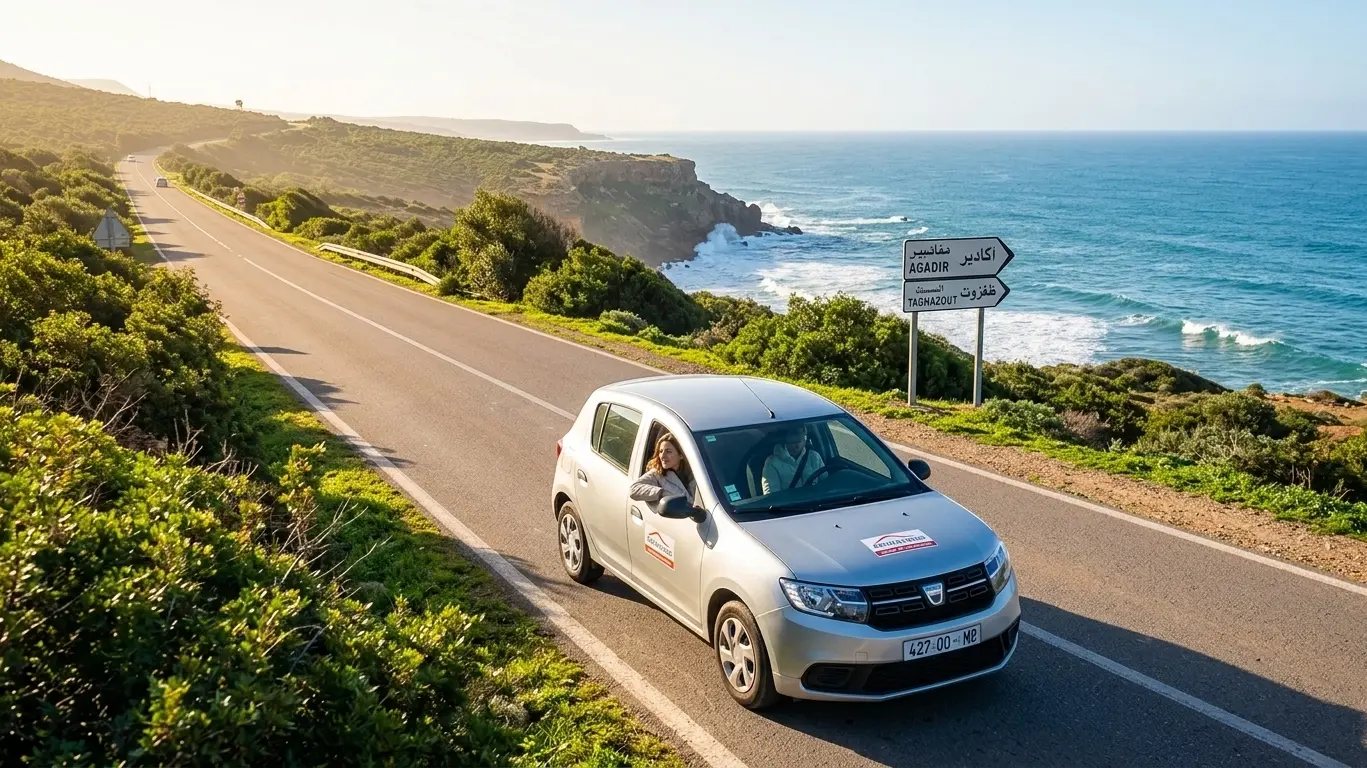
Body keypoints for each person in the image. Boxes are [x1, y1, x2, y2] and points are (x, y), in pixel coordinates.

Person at [630, 432, 698, 509]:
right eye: (661, 451)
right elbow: (634, 489)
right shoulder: (656, 474)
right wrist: (661, 493)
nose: (662, 456)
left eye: (668, 451)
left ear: (681, 455)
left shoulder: (695, 473)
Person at [761, 426, 824, 495]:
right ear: (785, 441)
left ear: (805, 439)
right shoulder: (772, 462)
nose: (797, 446)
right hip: (789, 504)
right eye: (793, 442)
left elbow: (826, 483)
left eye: (799, 441)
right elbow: (772, 495)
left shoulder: (814, 457)